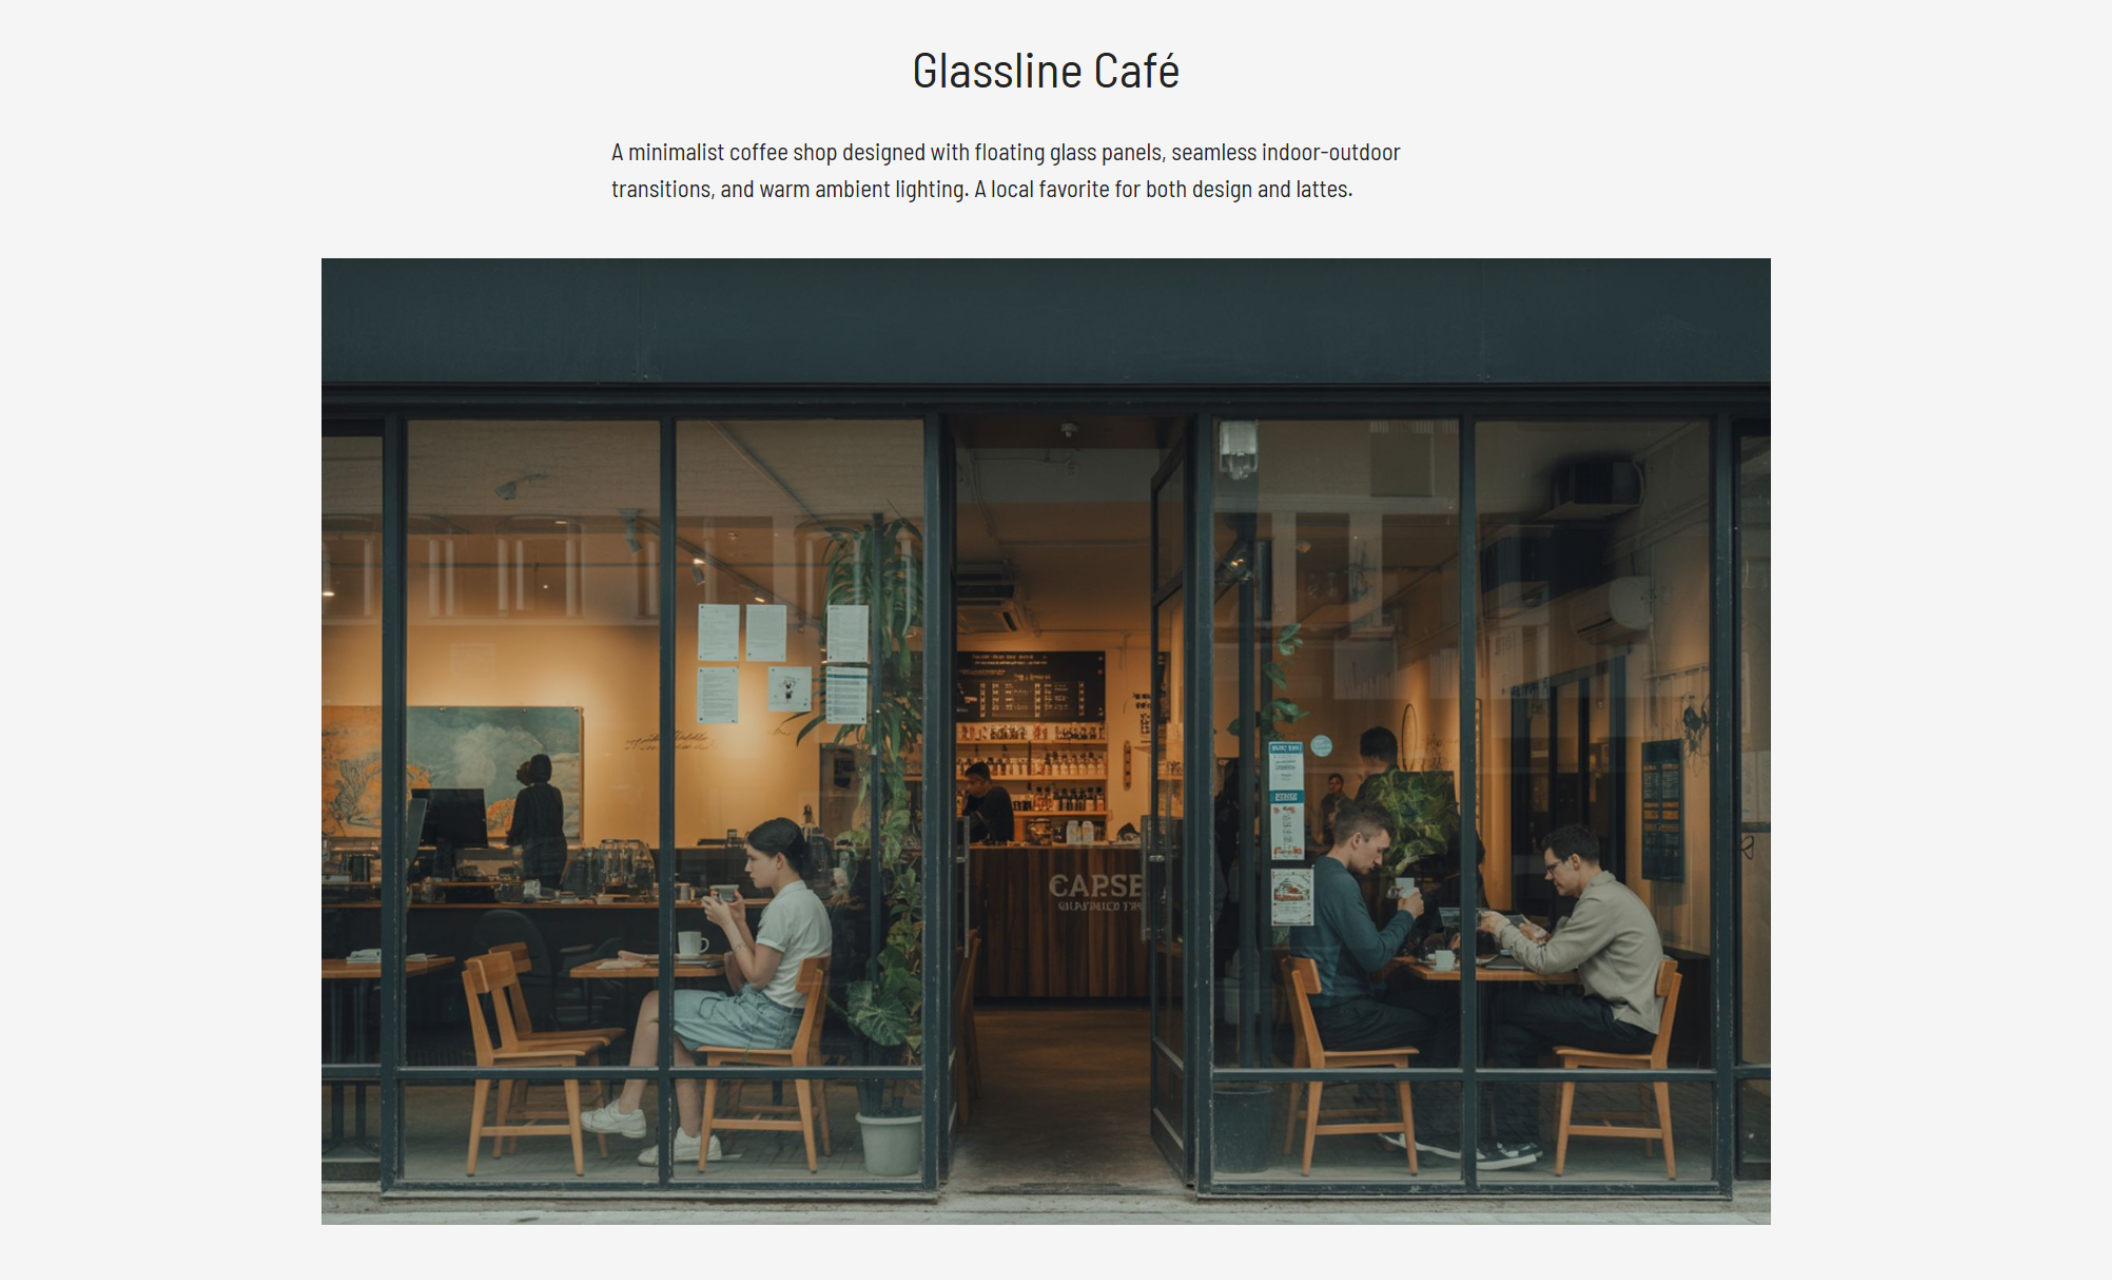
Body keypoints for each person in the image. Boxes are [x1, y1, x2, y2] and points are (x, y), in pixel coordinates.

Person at [580, 818, 833, 1164]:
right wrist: (742, 922)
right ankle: (690, 1136)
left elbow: (757, 977)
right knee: (665, 1023)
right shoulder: (809, 902)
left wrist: (728, 925)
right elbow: (767, 966)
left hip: (766, 1022)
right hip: (782, 1019)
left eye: (753, 858)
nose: (747, 867)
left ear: (778, 859)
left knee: (654, 1003)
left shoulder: (783, 908)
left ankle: (629, 1108)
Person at [1473, 823, 1667, 1170]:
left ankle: (1505, 1131)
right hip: (1623, 1015)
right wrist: (1547, 936)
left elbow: (1547, 964)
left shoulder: (1600, 903)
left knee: (1505, 1004)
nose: (1548, 877)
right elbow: (1570, 951)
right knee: (1514, 1034)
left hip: (1622, 1022)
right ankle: (1517, 1143)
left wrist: (1503, 929)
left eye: (1552, 867)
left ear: (1574, 860)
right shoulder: (1610, 895)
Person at [1287, 799, 1461, 1155]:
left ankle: (1405, 1121)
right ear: (1355, 840)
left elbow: (1361, 948)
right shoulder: (1339, 884)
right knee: (1451, 1020)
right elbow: (1374, 956)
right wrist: (1407, 915)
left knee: (1435, 1004)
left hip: (1329, 1011)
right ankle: (1425, 1131)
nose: (1380, 861)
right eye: (1378, 850)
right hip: (1342, 1019)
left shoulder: (1317, 873)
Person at [1352, 726, 1461, 886]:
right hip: (1421, 872)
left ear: (1372, 757)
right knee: (1409, 905)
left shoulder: (1373, 788)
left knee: (1392, 907)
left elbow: (1357, 829)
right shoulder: (1421, 787)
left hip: (1383, 874)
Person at [505, 753, 567, 885]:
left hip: (535, 850)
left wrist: (510, 840)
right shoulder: (556, 793)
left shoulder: (525, 794)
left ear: (530, 771)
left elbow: (518, 824)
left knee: (535, 890)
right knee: (552, 889)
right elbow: (559, 821)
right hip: (557, 850)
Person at [961, 761, 1015, 844]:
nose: (968, 787)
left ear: (984, 781)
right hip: (988, 850)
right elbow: (967, 831)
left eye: (972, 783)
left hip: (1002, 851)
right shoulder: (975, 798)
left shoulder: (998, 793)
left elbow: (971, 822)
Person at [1318, 773, 1346, 847]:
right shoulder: (1325, 800)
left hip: (1341, 836)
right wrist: (1320, 833)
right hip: (1327, 836)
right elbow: (1321, 817)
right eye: (1331, 783)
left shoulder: (1347, 801)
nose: (1334, 786)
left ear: (1342, 785)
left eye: (1337, 783)